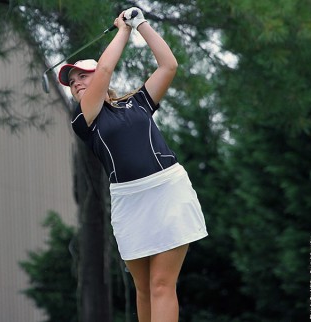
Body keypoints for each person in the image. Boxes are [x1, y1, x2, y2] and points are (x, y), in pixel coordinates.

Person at [57, 8, 208, 322]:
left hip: (168, 190)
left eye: (83, 75)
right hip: (129, 200)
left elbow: (169, 65)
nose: (77, 83)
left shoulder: (137, 102)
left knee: (162, 283)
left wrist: (140, 24)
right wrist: (123, 31)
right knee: (142, 289)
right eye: (72, 82)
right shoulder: (84, 118)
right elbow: (106, 69)